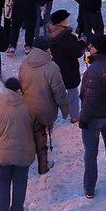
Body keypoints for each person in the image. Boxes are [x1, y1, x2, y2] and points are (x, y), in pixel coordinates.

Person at [0, 76, 37, 211]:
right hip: (23, 153)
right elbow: (34, 128)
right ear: (18, 90)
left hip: (2, 154)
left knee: (3, 182)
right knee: (20, 183)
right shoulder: (28, 105)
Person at [79, 34, 106, 199]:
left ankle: (89, 187)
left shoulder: (93, 72)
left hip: (94, 118)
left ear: (98, 48)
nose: (89, 47)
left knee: (91, 153)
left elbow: (87, 99)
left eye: (91, 45)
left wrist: (83, 119)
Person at [19, 37, 69, 174]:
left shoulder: (24, 63)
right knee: (42, 138)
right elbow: (59, 92)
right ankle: (43, 165)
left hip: (27, 108)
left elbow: (21, 85)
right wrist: (65, 110)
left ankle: (30, 158)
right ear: (46, 50)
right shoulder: (51, 67)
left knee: (33, 134)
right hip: (45, 109)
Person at [48, 10, 85, 122]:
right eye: (66, 19)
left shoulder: (50, 33)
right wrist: (82, 42)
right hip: (69, 68)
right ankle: (74, 116)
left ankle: (51, 116)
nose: (68, 20)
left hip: (55, 67)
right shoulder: (67, 37)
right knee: (73, 93)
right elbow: (77, 52)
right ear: (61, 22)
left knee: (55, 94)